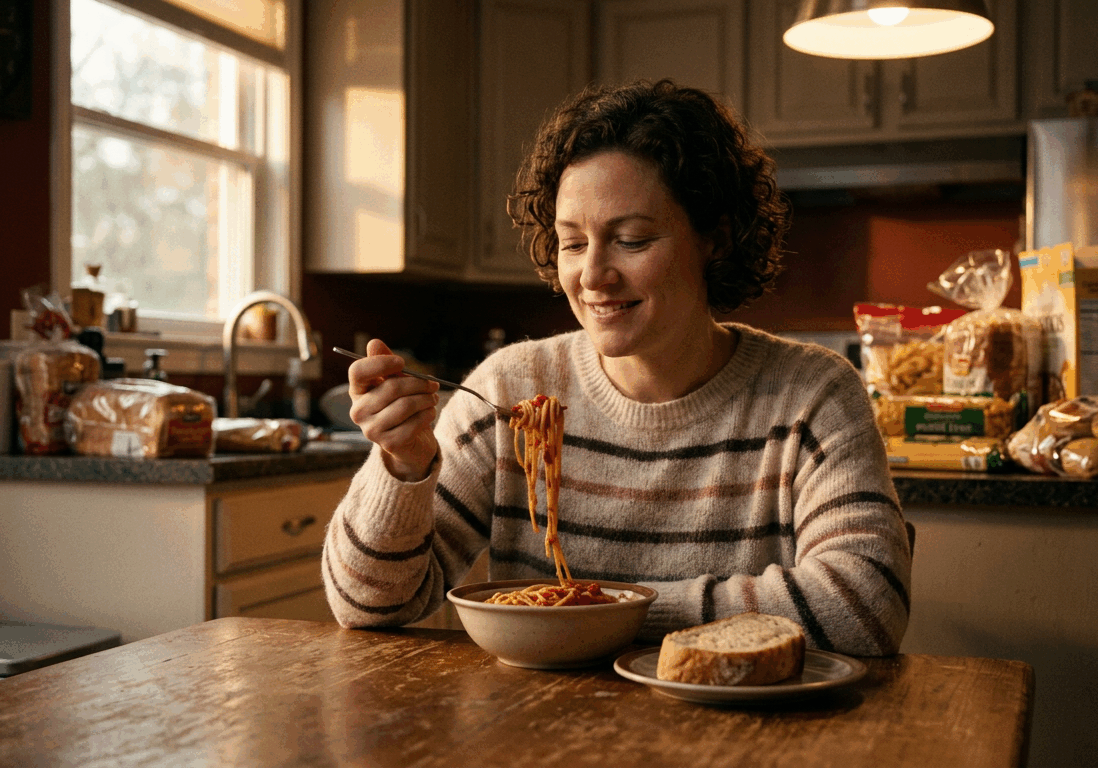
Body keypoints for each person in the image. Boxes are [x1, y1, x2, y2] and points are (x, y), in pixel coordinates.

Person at [322, 79, 911, 655]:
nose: (592, 276)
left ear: (717, 239)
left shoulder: (812, 396)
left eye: (630, 240)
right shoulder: (512, 389)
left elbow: (864, 602)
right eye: (573, 243)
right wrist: (402, 467)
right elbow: (367, 605)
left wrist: (605, 609)